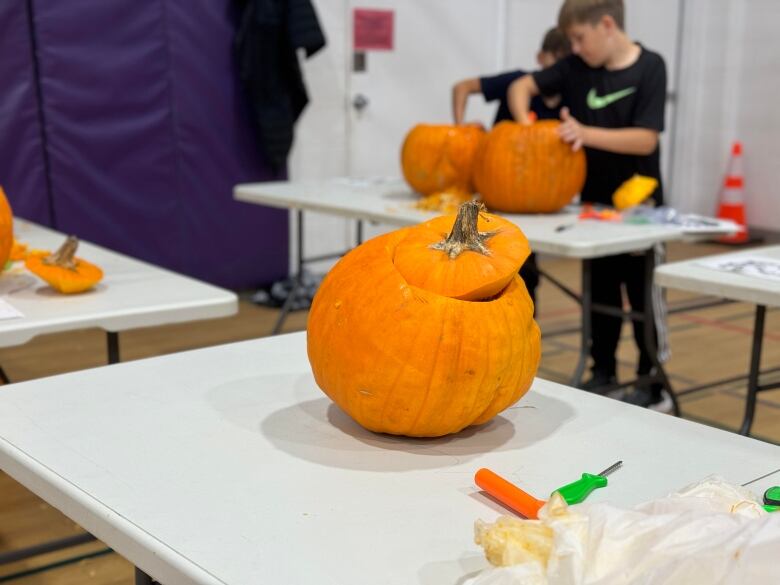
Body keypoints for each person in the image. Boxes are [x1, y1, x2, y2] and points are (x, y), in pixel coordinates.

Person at [507, 0, 671, 411]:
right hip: (593, 208)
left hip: (640, 211)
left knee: (642, 295)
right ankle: (604, 373)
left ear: (607, 25)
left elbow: (645, 139)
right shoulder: (578, 68)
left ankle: (654, 383)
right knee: (601, 295)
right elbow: (520, 86)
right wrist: (526, 130)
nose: (575, 48)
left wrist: (585, 132)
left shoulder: (650, 66)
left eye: (580, 38)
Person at [451, 27, 571, 307]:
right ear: (541, 58)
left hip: (539, 199)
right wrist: (460, 129)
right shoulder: (517, 81)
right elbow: (462, 87)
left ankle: (525, 327)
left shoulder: (569, 98)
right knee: (493, 267)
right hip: (499, 193)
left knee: (527, 271)